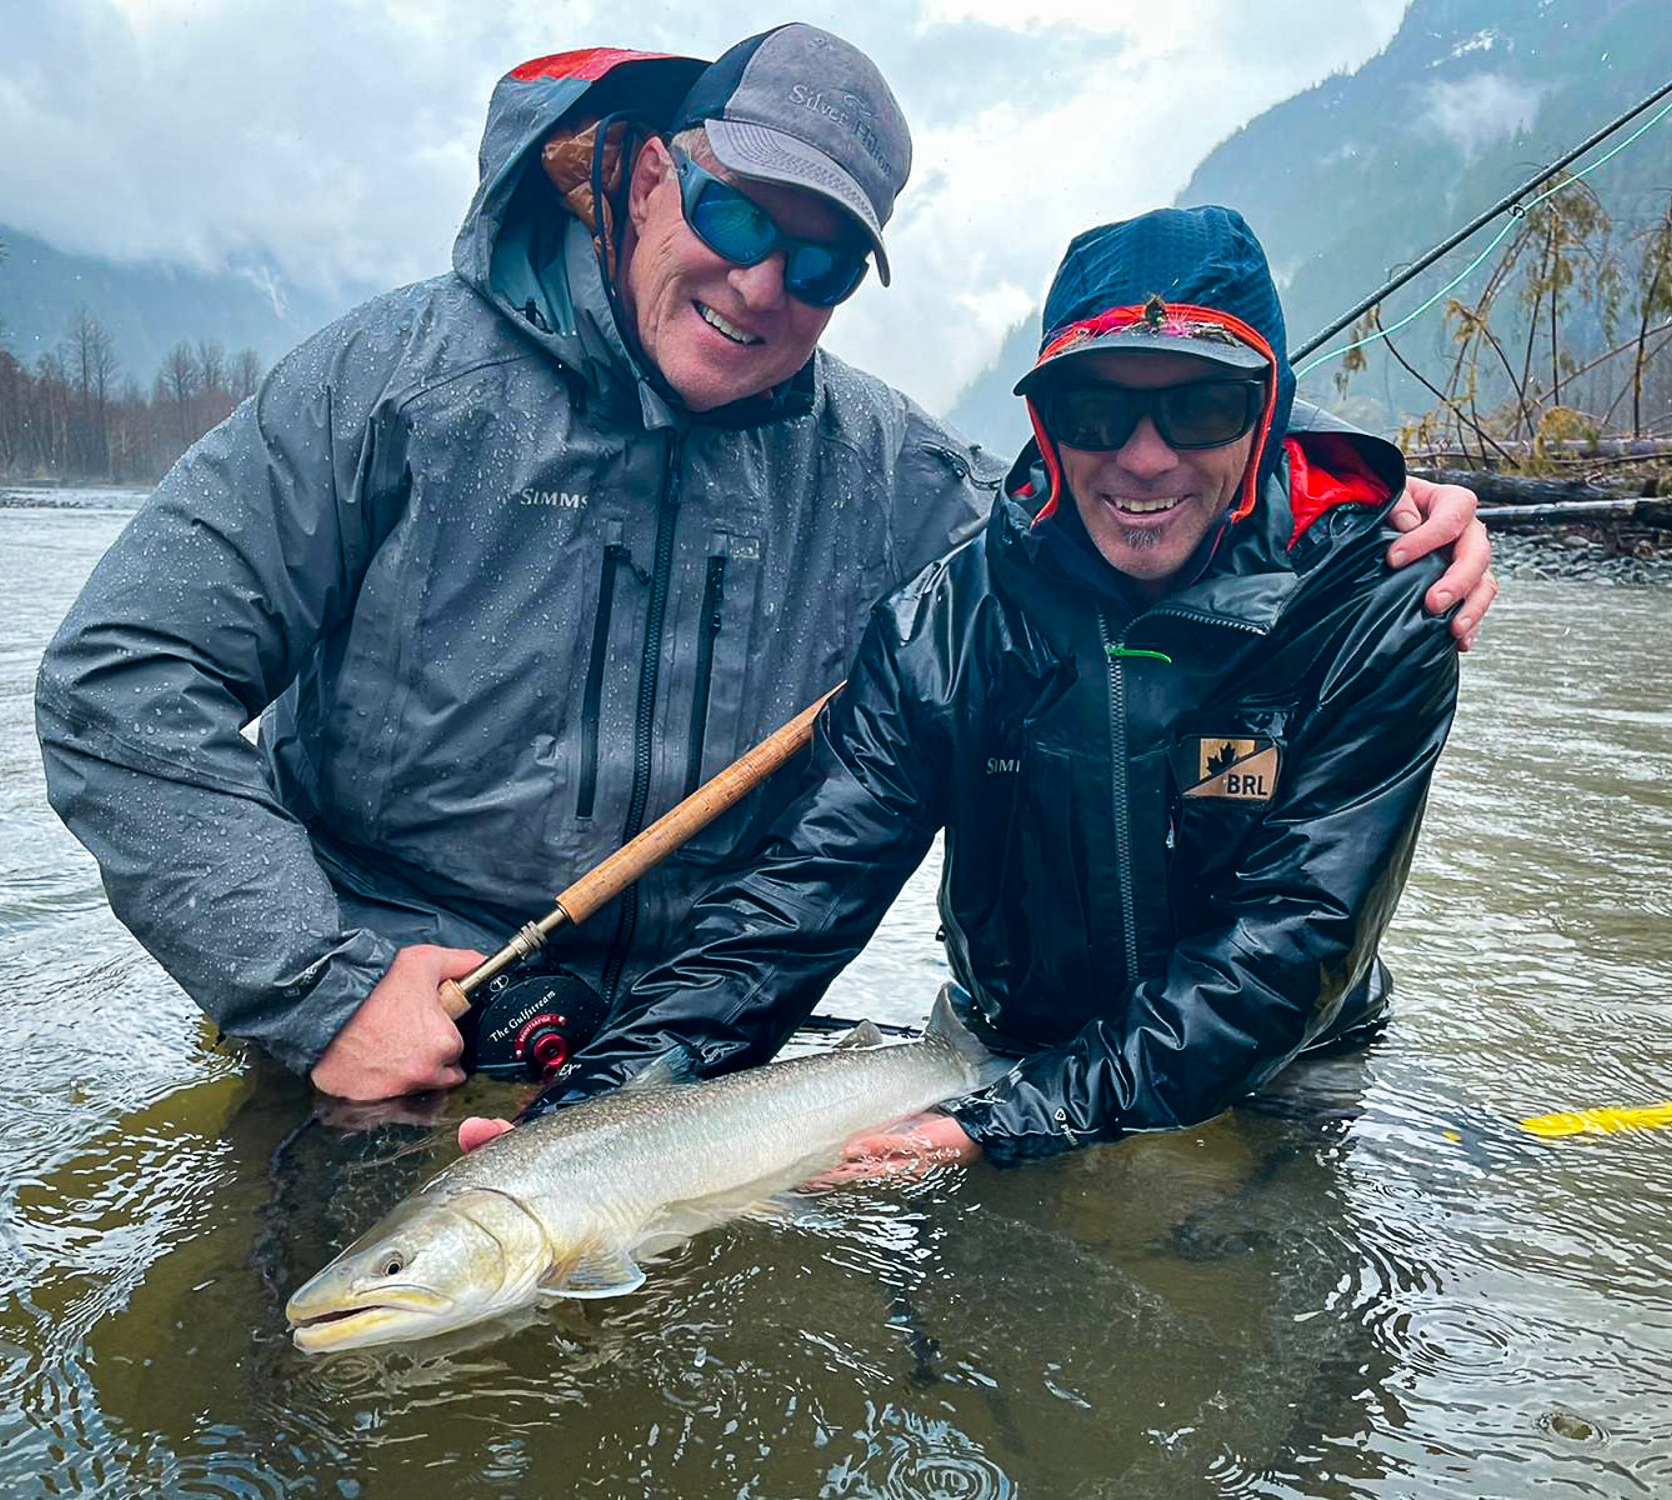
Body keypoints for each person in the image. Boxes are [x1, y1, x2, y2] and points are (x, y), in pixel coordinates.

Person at [36, 26, 1491, 1106]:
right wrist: (315, 986)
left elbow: (1121, 532)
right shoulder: (388, 381)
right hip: (368, 1031)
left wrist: (1371, 514)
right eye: (737, 217)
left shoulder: (904, 482)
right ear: (640, 176)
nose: (759, 285)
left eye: (822, 266)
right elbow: (121, 682)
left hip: (682, 1050)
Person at [501, 205, 1460, 1172]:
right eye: (1095, 408)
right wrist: (591, 1112)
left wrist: (1008, 1124)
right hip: (999, 1052)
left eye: (1201, 406)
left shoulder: (1377, 611)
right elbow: (798, 899)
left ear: (1267, 411)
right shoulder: (941, 624)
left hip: (1279, 1069)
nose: (1143, 456)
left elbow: (1295, 941)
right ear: (1045, 418)